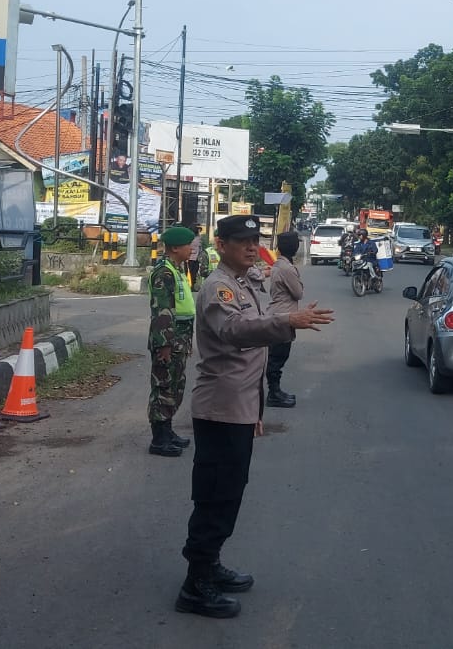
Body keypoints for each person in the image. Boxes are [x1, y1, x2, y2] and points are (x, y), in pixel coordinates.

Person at [177, 215, 335, 619]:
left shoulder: (245, 282)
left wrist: (255, 412)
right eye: (242, 241)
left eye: (255, 240)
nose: (251, 247)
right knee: (215, 494)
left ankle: (211, 564)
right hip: (220, 409)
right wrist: (287, 320)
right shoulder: (219, 287)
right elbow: (235, 331)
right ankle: (196, 583)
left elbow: (251, 361)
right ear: (221, 244)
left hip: (239, 407)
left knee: (230, 491)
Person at [147, 226, 199, 458]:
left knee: (175, 386)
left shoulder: (176, 269)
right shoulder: (164, 273)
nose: (192, 249)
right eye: (189, 245)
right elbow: (162, 311)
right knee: (164, 388)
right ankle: (159, 439)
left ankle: (167, 431)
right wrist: (165, 345)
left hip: (179, 338)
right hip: (168, 340)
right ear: (176, 248)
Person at [265, 231, 303, 408]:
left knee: (277, 356)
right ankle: (273, 393)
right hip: (283, 316)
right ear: (294, 247)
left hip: (278, 313)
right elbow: (298, 293)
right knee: (277, 358)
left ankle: (275, 391)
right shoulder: (287, 268)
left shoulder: (279, 264)